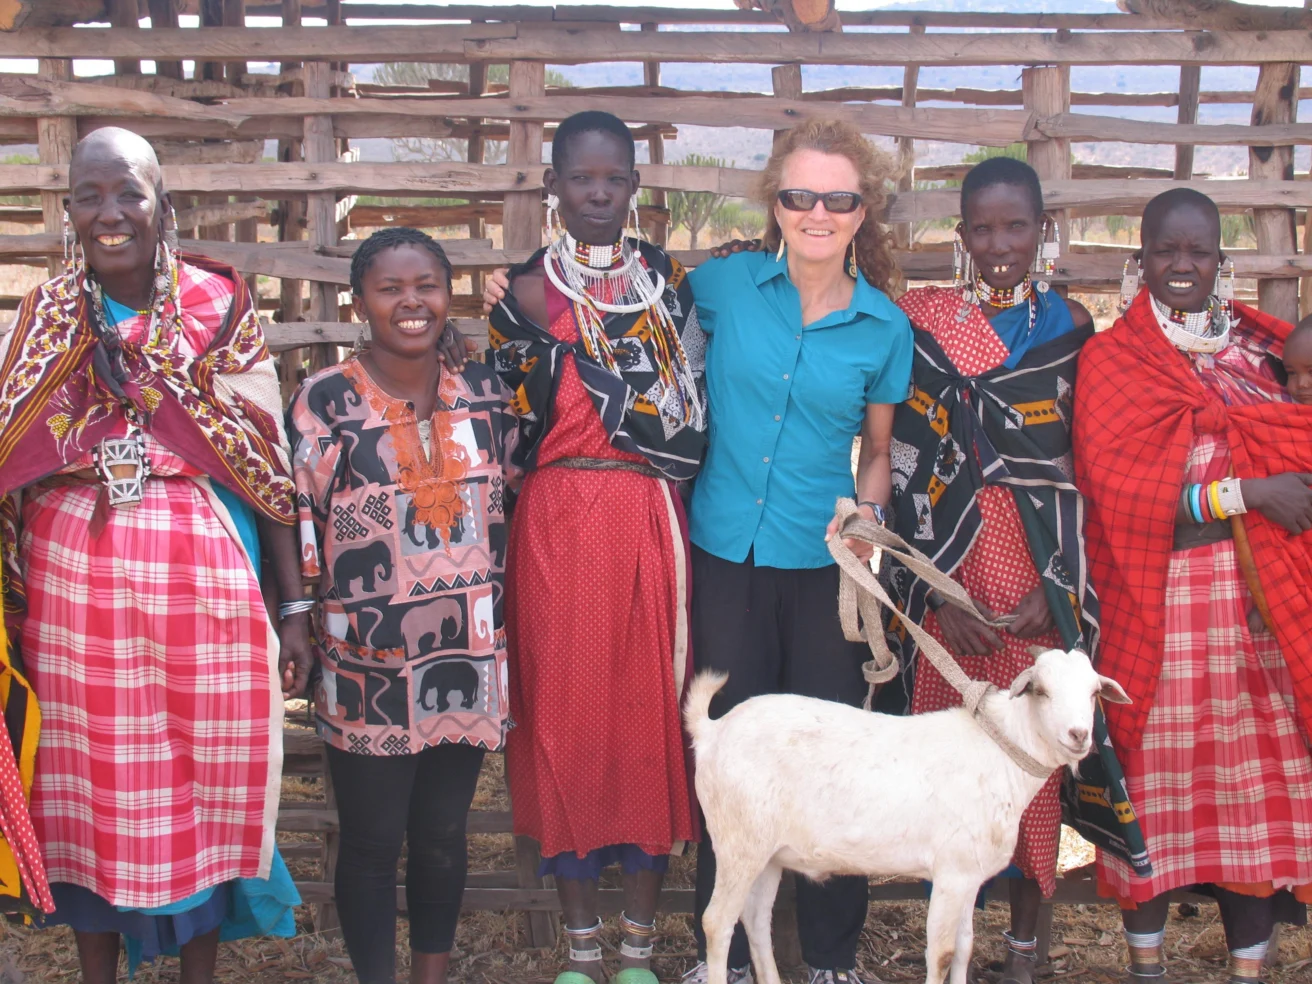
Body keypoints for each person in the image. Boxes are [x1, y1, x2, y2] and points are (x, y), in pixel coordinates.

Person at [0, 127, 309, 983]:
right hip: (72, 593)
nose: (110, 214)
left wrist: (295, 610)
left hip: (202, 583)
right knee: (85, 793)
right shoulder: (43, 318)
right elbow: (11, 458)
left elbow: (266, 464)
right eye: (90, 195)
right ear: (67, 210)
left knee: (203, 779)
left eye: (128, 193)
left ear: (161, 205)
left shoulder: (217, 307)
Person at [686, 119, 911, 984]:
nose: (818, 212)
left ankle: (829, 959)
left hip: (828, 571)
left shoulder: (883, 327)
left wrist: (870, 518)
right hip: (725, 558)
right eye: (799, 195)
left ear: (865, 211)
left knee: (830, 762)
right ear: (773, 203)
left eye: (839, 198)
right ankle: (728, 962)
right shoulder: (723, 286)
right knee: (733, 757)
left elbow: (880, 450)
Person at [485, 111, 707, 984]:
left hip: (651, 518)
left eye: (616, 177)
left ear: (636, 190)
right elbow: (502, 434)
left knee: (648, 721)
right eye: (582, 177)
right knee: (565, 724)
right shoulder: (527, 296)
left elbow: (691, 415)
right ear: (554, 189)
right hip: (553, 526)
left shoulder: (667, 287)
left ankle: (640, 954)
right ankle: (582, 955)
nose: (600, 192)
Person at [1074, 188, 1312, 984]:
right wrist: (1246, 493)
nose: (1182, 266)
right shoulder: (1113, 361)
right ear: (1139, 259)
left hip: (1257, 618)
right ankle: (1147, 971)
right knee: (1153, 804)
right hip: (1161, 618)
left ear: (1221, 259)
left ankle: (1248, 972)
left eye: (1198, 252)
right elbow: (1118, 500)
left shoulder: (1263, 353)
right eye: (1165, 253)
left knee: (1251, 812)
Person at [882, 157, 1100, 984]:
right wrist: (935, 597)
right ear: (962, 234)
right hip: (951, 581)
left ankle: (1024, 954)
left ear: (1042, 230)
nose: (999, 243)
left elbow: (1084, 463)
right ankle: (952, 953)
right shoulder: (922, 319)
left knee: (1033, 774)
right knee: (957, 778)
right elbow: (903, 459)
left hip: (1039, 582)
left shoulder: (1068, 327)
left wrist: (1058, 586)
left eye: (1017, 226)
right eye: (983, 227)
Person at [286, 227, 519, 984]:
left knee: (444, 834)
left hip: (467, 652)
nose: (410, 302)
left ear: (446, 293)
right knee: (372, 839)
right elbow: (298, 519)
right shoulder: (325, 400)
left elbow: (516, 499)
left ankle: (430, 976)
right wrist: (301, 621)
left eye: (426, 285)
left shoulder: (485, 392)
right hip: (366, 662)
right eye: (390, 288)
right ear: (361, 301)